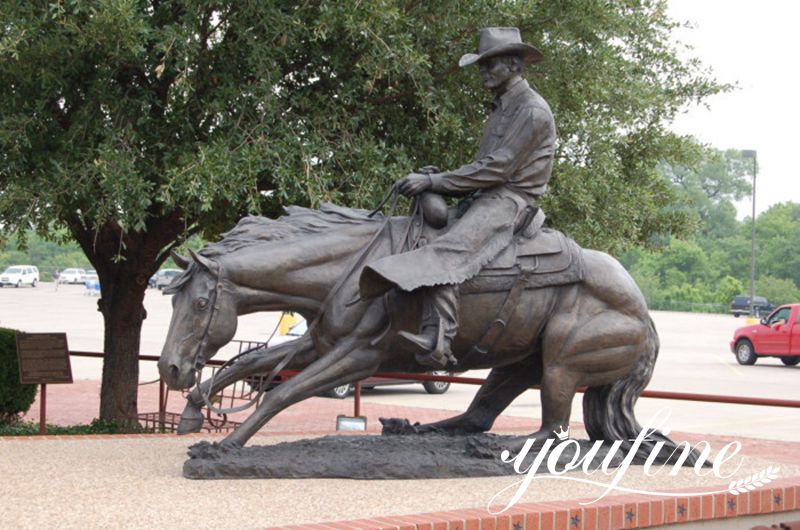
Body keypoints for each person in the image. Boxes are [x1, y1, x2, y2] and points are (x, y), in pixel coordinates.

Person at [360, 27, 556, 367]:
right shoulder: (502, 109)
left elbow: (498, 169)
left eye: (489, 64)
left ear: (513, 65)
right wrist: (436, 182)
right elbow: (483, 166)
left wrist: (434, 180)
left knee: (448, 252)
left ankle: (439, 339)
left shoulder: (531, 110)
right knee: (419, 230)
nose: (483, 71)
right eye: (481, 64)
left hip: (509, 201)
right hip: (486, 196)